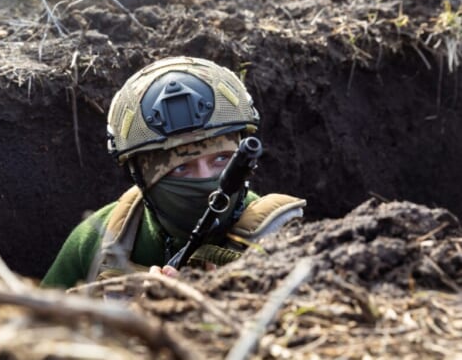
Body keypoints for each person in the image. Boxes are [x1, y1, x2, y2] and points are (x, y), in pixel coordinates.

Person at [41, 56, 306, 289]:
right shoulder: (97, 240)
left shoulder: (276, 236)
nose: (206, 181)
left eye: (221, 159)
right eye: (181, 168)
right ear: (142, 177)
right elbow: (29, 330)